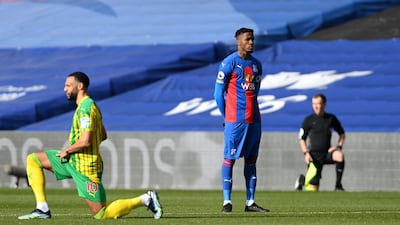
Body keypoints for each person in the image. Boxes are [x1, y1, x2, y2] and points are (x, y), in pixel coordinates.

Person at [18, 71, 163, 220]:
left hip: (86, 168)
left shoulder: (86, 108)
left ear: (80, 86)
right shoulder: (87, 106)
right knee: (33, 160)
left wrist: (69, 149)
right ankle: (42, 208)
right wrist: (75, 150)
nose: (64, 89)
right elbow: (103, 134)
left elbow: (86, 140)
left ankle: (146, 199)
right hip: (73, 160)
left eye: (68, 85)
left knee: (102, 214)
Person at [214, 27, 269, 213]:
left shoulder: (257, 65)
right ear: (238, 41)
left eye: (253, 39)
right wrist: (226, 116)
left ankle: (250, 202)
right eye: (247, 39)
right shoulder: (229, 63)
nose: (251, 42)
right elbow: (217, 94)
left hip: (255, 120)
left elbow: (256, 92)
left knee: (252, 160)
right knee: (230, 158)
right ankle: (227, 202)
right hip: (235, 121)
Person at [295, 93, 346, 192]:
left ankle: (338, 185)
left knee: (339, 155)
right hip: (313, 156)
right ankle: (302, 180)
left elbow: (342, 134)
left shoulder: (330, 118)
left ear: (324, 104)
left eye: (318, 103)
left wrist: (338, 147)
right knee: (313, 188)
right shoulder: (309, 120)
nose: (316, 106)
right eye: (314, 104)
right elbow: (302, 139)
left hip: (327, 152)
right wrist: (306, 153)